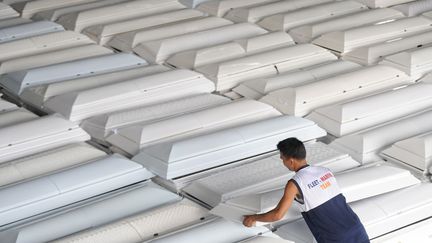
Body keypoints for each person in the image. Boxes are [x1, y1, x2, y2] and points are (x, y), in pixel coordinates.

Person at [243, 137, 369, 243]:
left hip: (336, 238)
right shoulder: (325, 171)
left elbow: (277, 214)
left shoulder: (295, 184)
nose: (283, 162)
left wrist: (253, 218)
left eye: (282, 158)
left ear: (290, 160)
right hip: (356, 228)